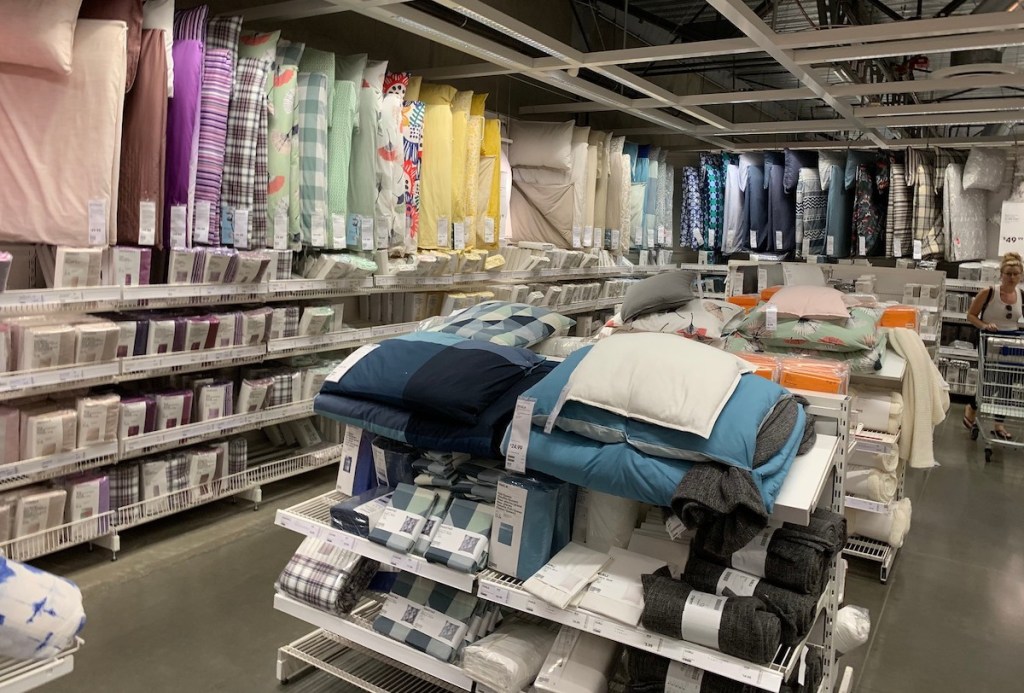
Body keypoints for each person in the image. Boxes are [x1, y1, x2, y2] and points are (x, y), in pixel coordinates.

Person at [963, 251, 1024, 439]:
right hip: (989, 341)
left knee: (1007, 382)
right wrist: (985, 326)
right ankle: (972, 406)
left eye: (1016, 274)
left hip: (1012, 342)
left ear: (1021, 275)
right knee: (987, 380)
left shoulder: (1021, 295)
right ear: (1001, 274)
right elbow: (971, 315)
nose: (1012, 277)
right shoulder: (989, 292)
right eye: (1009, 274)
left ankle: (999, 424)